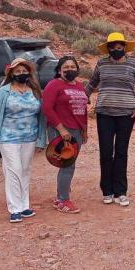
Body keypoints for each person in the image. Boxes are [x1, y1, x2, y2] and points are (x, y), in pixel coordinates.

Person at [85, 32, 135, 207]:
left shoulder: (134, 64)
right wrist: (83, 98)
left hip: (127, 113)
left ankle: (121, 191)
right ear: (108, 48)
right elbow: (91, 83)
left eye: (120, 46)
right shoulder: (102, 63)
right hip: (104, 112)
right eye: (113, 46)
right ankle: (107, 190)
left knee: (121, 152)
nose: (116, 49)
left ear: (125, 47)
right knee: (105, 152)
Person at [0, 58, 47, 223]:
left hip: (30, 137)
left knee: (25, 170)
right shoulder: (4, 91)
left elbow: (41, 117)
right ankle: (15, 209)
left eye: (24, 70)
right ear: (12, 73)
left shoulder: (34, 91)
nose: (22, 73)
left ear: (29, 72)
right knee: (14, 170)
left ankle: (25, 205)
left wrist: (42, 139)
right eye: (18, 71)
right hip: (7, 138)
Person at [42, 56, 89, 214]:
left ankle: (60, 197)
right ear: (59, 70)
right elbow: (47, 108)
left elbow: (83, 109)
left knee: (69, 164)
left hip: (76, 130)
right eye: (66, 67)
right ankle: (63, 200)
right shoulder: (54, 85)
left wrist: (85, 129)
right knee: (67, 165)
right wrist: (61, 129)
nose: (70, 69)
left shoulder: (80, 86)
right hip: (62, 130)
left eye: (72, 66)